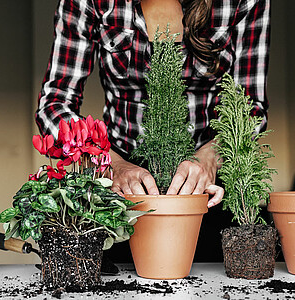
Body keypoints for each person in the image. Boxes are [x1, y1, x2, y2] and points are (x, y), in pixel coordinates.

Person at [35, 0, 271, 262]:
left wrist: (210, 158)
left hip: (207, 188)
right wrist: (110, 163)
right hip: (120, 187)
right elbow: (54, 106)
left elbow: (251, 108)